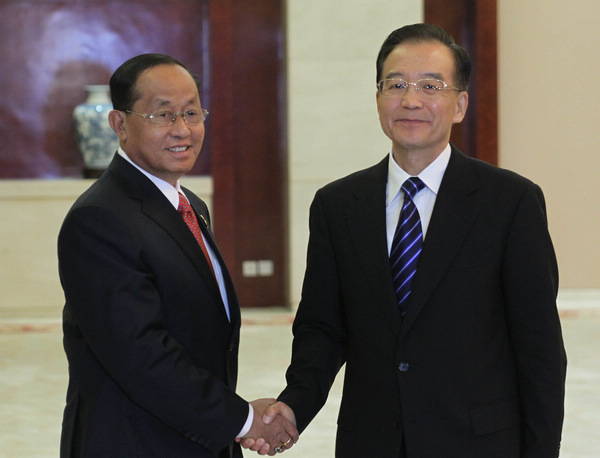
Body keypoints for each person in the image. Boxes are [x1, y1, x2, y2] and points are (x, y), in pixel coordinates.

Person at [244, 23, 567, 457]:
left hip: (479, 444)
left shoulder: (510, 202)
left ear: (460, 104)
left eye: (431, 85)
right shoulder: (338, 205)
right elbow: (322, 328)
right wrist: (294, 407)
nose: (411, 100)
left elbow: (540, 351)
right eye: (395, 84)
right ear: (378, 98)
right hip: (371, 442)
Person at [58, 53, 297, 457]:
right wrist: (243, 421)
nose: (182, 129)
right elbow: (141, 357)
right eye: (163, 115)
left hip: (196, 437)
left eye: (192, 112)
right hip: (132, 443)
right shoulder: (99, 219)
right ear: (119, 124)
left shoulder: (190, 207)